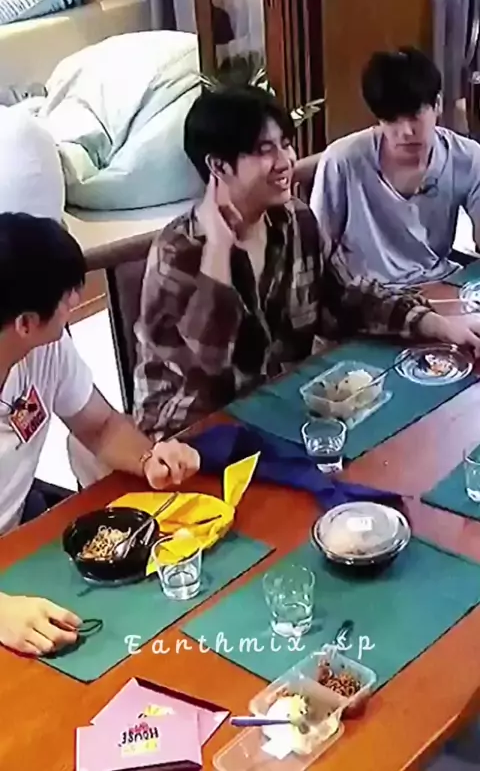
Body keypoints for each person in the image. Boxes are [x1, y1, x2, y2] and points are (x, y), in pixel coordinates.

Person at [133, 84, 480, 441]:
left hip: (272, 409)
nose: (286, 161)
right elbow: (211, 369)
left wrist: (439, 326)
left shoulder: (294, 221)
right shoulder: (178, 252)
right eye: (265, 150)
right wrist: (219, 249)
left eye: (285, 144)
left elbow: (349, 297)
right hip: (186, 436)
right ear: (219, 166)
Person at [0, 213, 200, 657]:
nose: (76, 300)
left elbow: (101, 426)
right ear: (26, 322)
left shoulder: (45, 347)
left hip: (18, 539)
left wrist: (149, 457)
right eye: (67, 297)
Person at [309, 46, 480, 286]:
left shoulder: (467, 157)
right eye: (391, 120)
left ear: (438, 104)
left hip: (437, 284)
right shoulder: (342, 160)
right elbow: (317, 249)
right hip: (365, 293)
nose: (406, 131)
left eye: (415, 115)